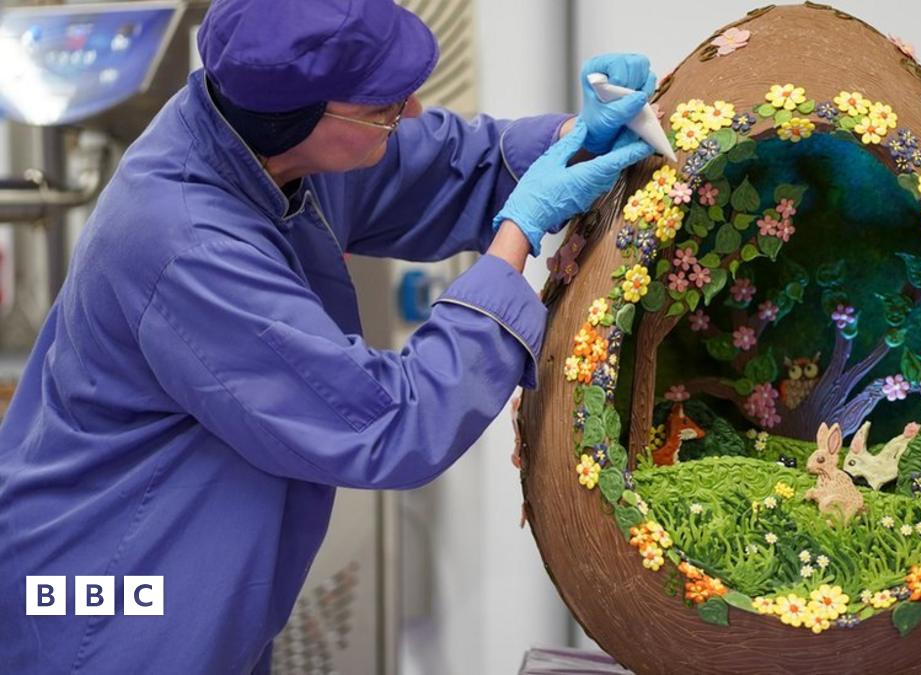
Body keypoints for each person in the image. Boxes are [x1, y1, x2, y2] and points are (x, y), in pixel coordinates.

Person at [0, 0, 657, 671]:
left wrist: (577, 136)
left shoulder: (260, 137)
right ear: (298, 118)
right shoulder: (185, 243)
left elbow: (444, 162)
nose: (411, 112)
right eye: (384, 107)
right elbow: (388, 422)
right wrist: (518, 233)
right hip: (105, 605)